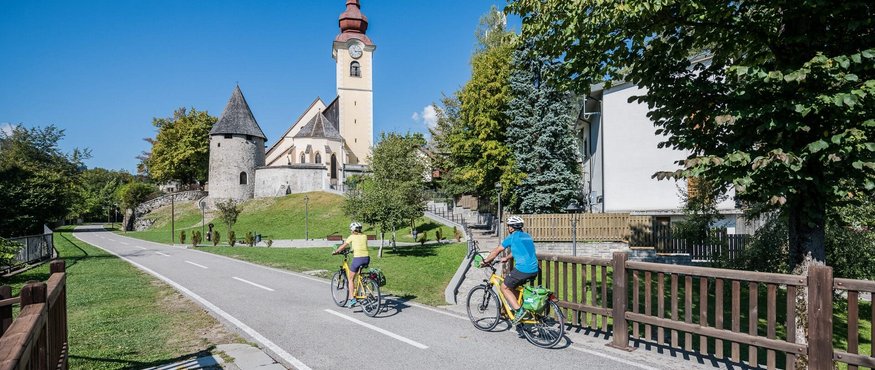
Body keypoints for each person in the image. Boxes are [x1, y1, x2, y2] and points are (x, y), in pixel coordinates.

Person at [480, 216, 539, 323]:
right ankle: (526, 307)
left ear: (511, 228)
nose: (508, 228)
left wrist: (485, 261)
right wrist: (507, 258)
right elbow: (519, 250)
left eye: (508, 226)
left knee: (504, 287)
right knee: (512, 288)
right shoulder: (527, 236)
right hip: (534, 269)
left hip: (523, 269)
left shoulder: (511, 237)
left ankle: (519, 311)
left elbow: (496, 251)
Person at [332, 222, 369, 308]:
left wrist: (336, 251)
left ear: (353, 230)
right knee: (358, 275)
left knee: (350, 279)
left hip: (358, 259)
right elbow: (360, 245)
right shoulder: (365, 236)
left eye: (351, 230)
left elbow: (343, 246)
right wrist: (352, 250)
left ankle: (352, 299)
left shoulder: (351, 237)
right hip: (366, 258)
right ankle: (360, 291)